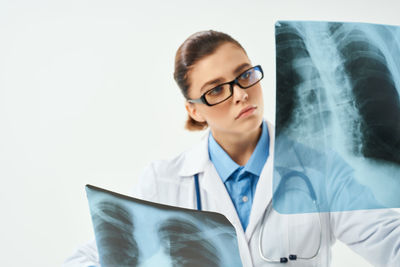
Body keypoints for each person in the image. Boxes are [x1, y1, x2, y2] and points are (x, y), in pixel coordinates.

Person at [63, 30, 400, 267]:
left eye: (245, 76)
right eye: (216, 90)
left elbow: (388, 240)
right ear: (194, 109)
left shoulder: (322, 170)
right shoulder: (163, 182)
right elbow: (91, 258)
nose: (240, 94)